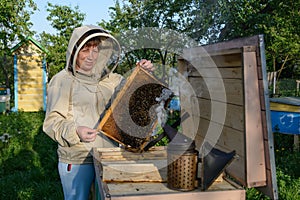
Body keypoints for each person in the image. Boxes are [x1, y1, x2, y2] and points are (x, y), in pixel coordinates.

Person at [43, 25, 154, 200]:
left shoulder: (112, 79)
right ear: (74, 51)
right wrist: (75, 131)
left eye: (95, 50)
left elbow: (132, 95)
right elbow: (52, 122)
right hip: (77, 157)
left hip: (109, 156)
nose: (91, 56)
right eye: (85, 50)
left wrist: (142, 72)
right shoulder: (61, 80)